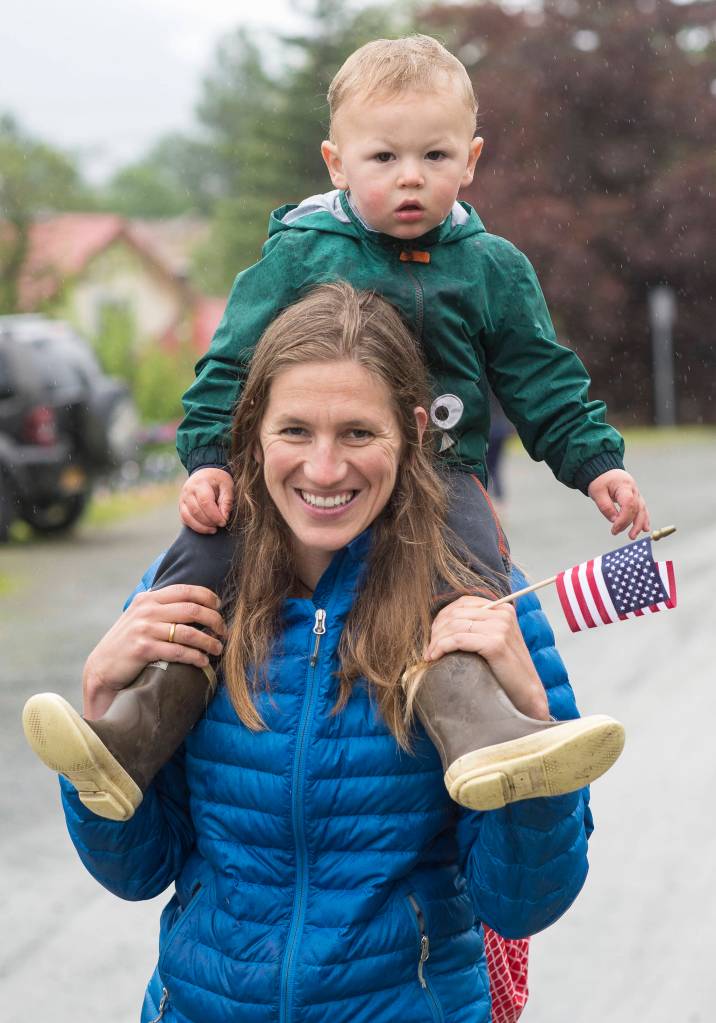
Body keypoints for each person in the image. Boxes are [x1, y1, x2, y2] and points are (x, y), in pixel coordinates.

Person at [28, 284, 596, 1022]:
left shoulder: (479, 605)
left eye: (359, 433)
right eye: (295, 430)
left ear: (414, 431)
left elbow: (525, 902)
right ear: (252, 431)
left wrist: (534, 717)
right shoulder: (191, 598)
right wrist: (103, 707)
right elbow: (136, 869)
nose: (324, 470)